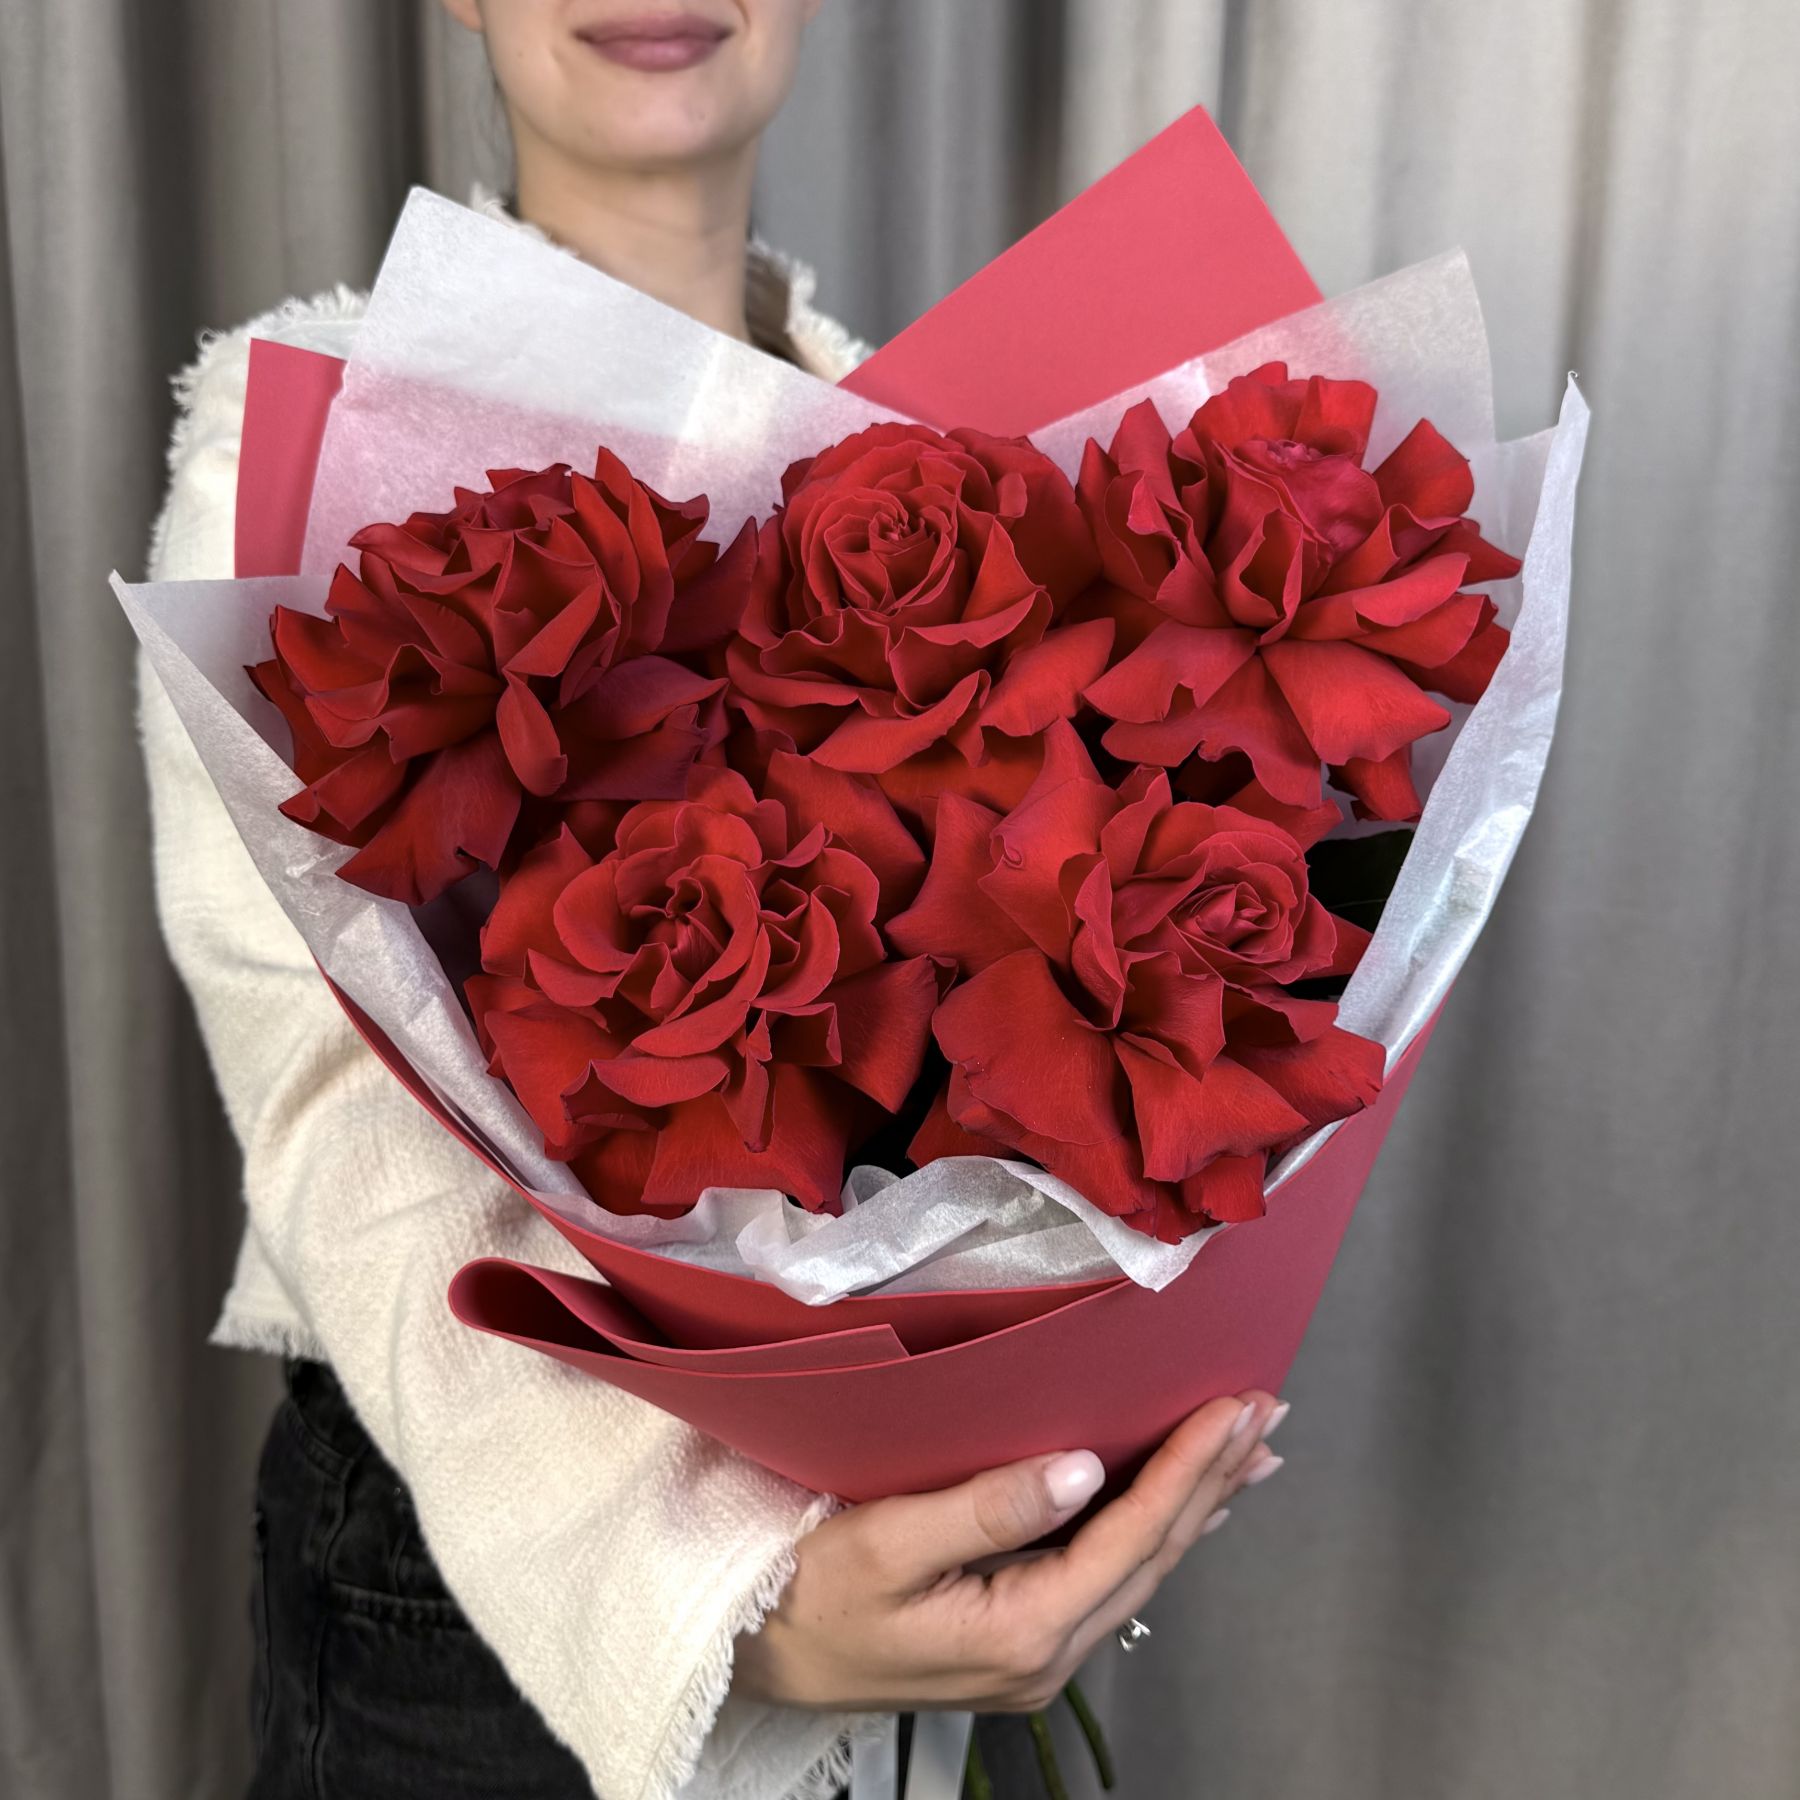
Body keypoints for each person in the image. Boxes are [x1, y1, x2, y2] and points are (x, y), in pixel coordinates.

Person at [140, 3, 1289, 1795]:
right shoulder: (309, 434)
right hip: (487, 1561)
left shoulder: (947, 444)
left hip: (909, 1553)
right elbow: (336, 1105)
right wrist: (718, 1587)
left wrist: (1069, 1452)